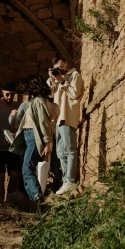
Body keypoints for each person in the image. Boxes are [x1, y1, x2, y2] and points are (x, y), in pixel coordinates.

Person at [10, 76, 55, 203]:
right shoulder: (36, 101)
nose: (26, 91)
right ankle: (35, 200)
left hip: (34, 138)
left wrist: (47, 143)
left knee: (27, 169)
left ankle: (38, 198)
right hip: (29, 136)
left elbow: (43, 123)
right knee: (26, 170)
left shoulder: (39, 101)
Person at [48, 56, 84, 196]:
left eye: (62, 66)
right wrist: (53, 80)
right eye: (58, 68)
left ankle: (70, 180)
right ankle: (66, 180)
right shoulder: (57, 80)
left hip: (68, 117)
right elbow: (50, 95)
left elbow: (75, 94)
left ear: (66, 64)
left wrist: (63, 81)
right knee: (60, 153)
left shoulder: (74, 75)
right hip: (58, 120)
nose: (61, 69)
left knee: (70, 150)